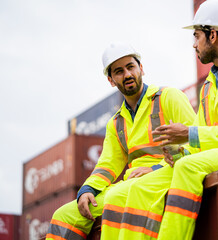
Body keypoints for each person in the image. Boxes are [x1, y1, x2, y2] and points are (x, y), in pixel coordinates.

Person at [102, 0, 218, 239]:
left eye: (196, 36)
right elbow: (201, 140)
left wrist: (188, 135)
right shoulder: (209, 85)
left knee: (188, 167)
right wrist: (177, 154)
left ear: (213, 35)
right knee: (137, 187)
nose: (193, 44)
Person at [45, 42, 196, 240]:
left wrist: (154, 169)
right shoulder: (116, 123)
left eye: (130, 67)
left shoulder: (169, 97)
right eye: (119, 71)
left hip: (169, 172)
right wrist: (87, 190)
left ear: (141, 68)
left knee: (118, 197)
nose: (127, 74)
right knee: (63, 216)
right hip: (132, 182)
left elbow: (195, 142)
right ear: (111, 80)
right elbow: (107, 166)